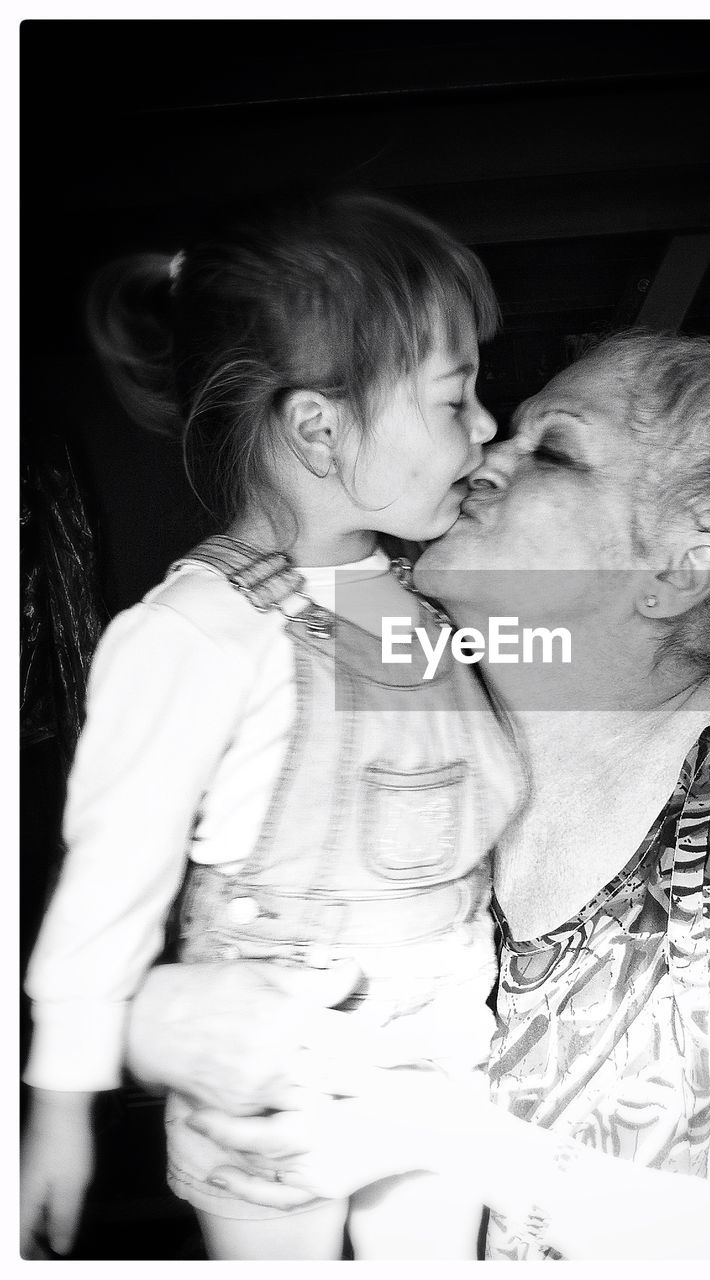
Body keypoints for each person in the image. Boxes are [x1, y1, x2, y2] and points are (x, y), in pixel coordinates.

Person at [123, 329, 710, 1259]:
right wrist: (151, 1020)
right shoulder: (369, 697)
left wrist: (443, 1137)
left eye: (554, 449)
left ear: (674, 572)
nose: (486, 450)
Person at [19, 191, 528, 1261]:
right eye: (452, 399)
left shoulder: (427, 595)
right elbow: (113, 869)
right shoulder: (201, 630)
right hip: (272, 1072)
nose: (486, 425)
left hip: (437, 1064)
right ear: (318, 427)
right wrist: (60, 1096)